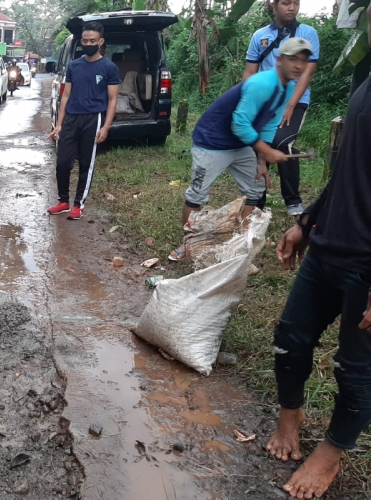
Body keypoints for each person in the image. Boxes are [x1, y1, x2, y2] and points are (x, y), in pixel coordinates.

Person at [267, 6, 371, 498]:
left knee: (355, 368)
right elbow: (350, 168)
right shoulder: (366, 83)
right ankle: (290, 417)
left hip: (366, 266)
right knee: (290, 338)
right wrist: (307, 222)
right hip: (329, 242)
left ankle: (329, 454)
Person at [168, 38, 310, 262]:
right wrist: (268, 151)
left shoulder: (288, 88)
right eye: (293, 59)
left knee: (256, 187)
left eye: (303, 61)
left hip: (240, 144)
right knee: (197, 194)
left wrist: (262, 161)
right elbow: (240, 124)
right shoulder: (262, 83)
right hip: (211, 141)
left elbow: (269, 125)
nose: (298, 66)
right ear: (280, 59)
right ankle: (188, 243)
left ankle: (241, 241)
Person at [243, 0, 320, 216]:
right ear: (274, 5)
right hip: (266, 99)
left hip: (296, 99)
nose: (292, 8)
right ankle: (257, 200)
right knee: (256, 144)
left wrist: (291, 104)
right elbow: (250, 72)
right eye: (286, 3)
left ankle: (293, 201)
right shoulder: (260, 36)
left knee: (282, 142)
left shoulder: (308, 33)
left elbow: (307, 72)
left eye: (296, 3)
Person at [47, 22, 119, 221]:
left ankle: (79, 205)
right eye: (85, 41)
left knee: (86, 163)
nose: (88, 44)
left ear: (101, 41)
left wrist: (106, 126)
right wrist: (59, 124)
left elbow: (113, 100)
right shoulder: (74, 65)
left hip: (93, 119)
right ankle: (63, 201)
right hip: (71, 118)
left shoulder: (109, 68)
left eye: (92, 41)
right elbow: (66, 95)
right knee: (62, 162)